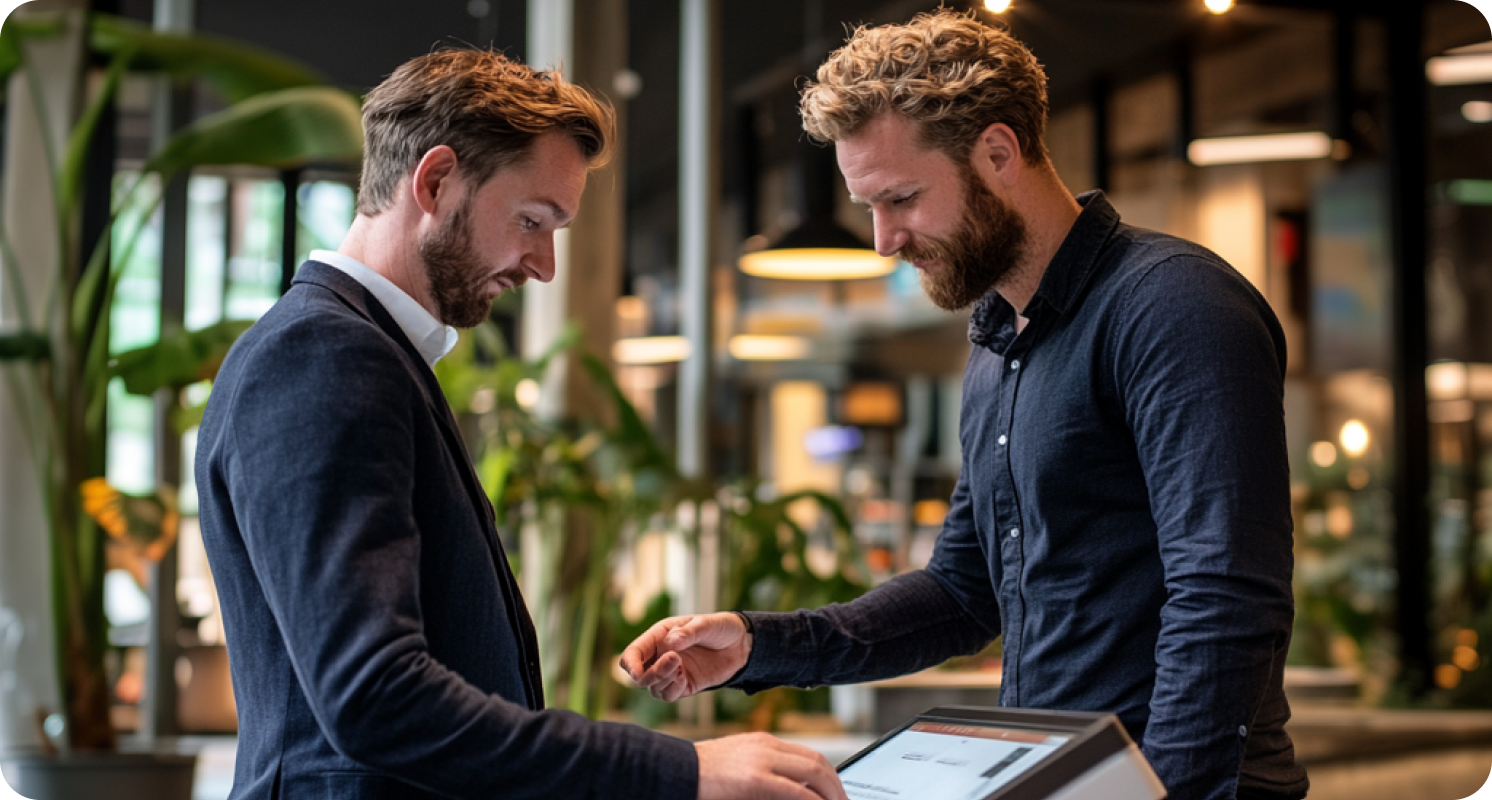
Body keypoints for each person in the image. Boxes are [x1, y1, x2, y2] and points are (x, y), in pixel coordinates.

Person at [622, 11, 1308, 800]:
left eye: (903, 198)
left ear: (998, 152)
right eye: (868, 207)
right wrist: (756, 644)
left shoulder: (1172, 306)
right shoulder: (996, 344)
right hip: (1059, 780)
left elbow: (1225, 593)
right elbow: (960, 594)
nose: (883, 241)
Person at [195, 49, 846, 800]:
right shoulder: (325, 353)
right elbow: (374, 697)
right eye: (531, 220)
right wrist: (682, 770)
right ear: (435, 182)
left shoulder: (364, 350)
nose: (543, 265)